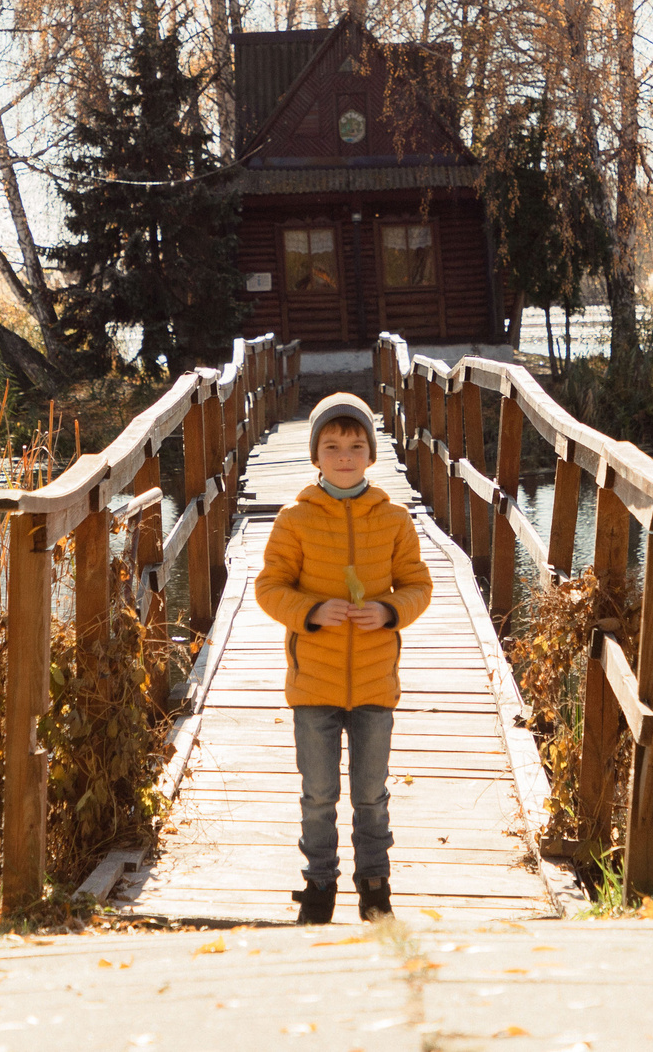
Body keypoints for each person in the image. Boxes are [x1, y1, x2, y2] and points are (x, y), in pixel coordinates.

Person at [253, 391, 432, 923]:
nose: (345, 456)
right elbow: (269, 587)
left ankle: (375, 884)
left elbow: (419, 586)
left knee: (372, 795)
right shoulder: (295, 519)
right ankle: (319, 885)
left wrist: (388, 610)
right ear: (315, 456)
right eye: (332, 446)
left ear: (372, 455)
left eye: (356, 446)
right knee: (318, 794)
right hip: (314, 685)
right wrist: (309, 611)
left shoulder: (395, 518)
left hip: (376, 681)